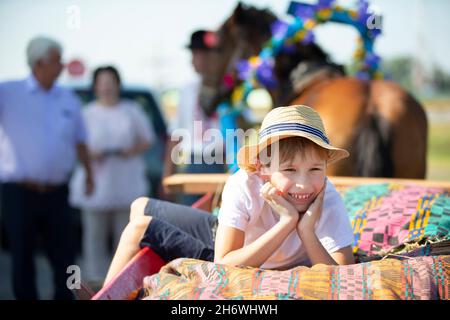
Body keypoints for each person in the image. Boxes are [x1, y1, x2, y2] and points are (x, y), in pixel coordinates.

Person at [103, 104, 355, 285]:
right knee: (140, 205)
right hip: (232, 246)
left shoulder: (326, 195)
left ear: (325, 168)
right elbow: (226, 257)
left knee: (140, 227)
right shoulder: (243, 183)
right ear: (262, 168)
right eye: (289, 169)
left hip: (233, 258)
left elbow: (343, 275)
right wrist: (288, 222)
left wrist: (306, 230)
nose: (303, 184)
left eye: (314, 169)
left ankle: (105, 294)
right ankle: (106, 291)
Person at [0, 36, 93, 300]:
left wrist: (89, 174)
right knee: (22, 256)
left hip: (56, 193)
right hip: (18, 192)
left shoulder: (68, 98)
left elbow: (81, 140)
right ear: (39, 64)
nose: (62, 66)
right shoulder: (8, 92)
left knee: (64, 256)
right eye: (56, 61)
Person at [69, 65, 156, 286]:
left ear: (118, 84)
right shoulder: (87, 113)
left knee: (125, 233)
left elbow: (148, 138)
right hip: (96, 179)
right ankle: (96, 281)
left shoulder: (132, 110)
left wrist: (131, 150)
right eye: (102, 82)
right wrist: (90, 154)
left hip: (126, 178)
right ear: (95, 86)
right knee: (94, 234)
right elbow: (75, 144)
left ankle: (124, 279)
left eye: (111, 82)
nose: (107, 87)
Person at [163, 29, 225, 205]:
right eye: (194, 54)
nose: (194, 60)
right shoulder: (186, 90)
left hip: (219, 161)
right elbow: (176, 133)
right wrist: (168, 173)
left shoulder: (227, 89)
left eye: (199, 54)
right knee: (190, 218)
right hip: (193, 161)